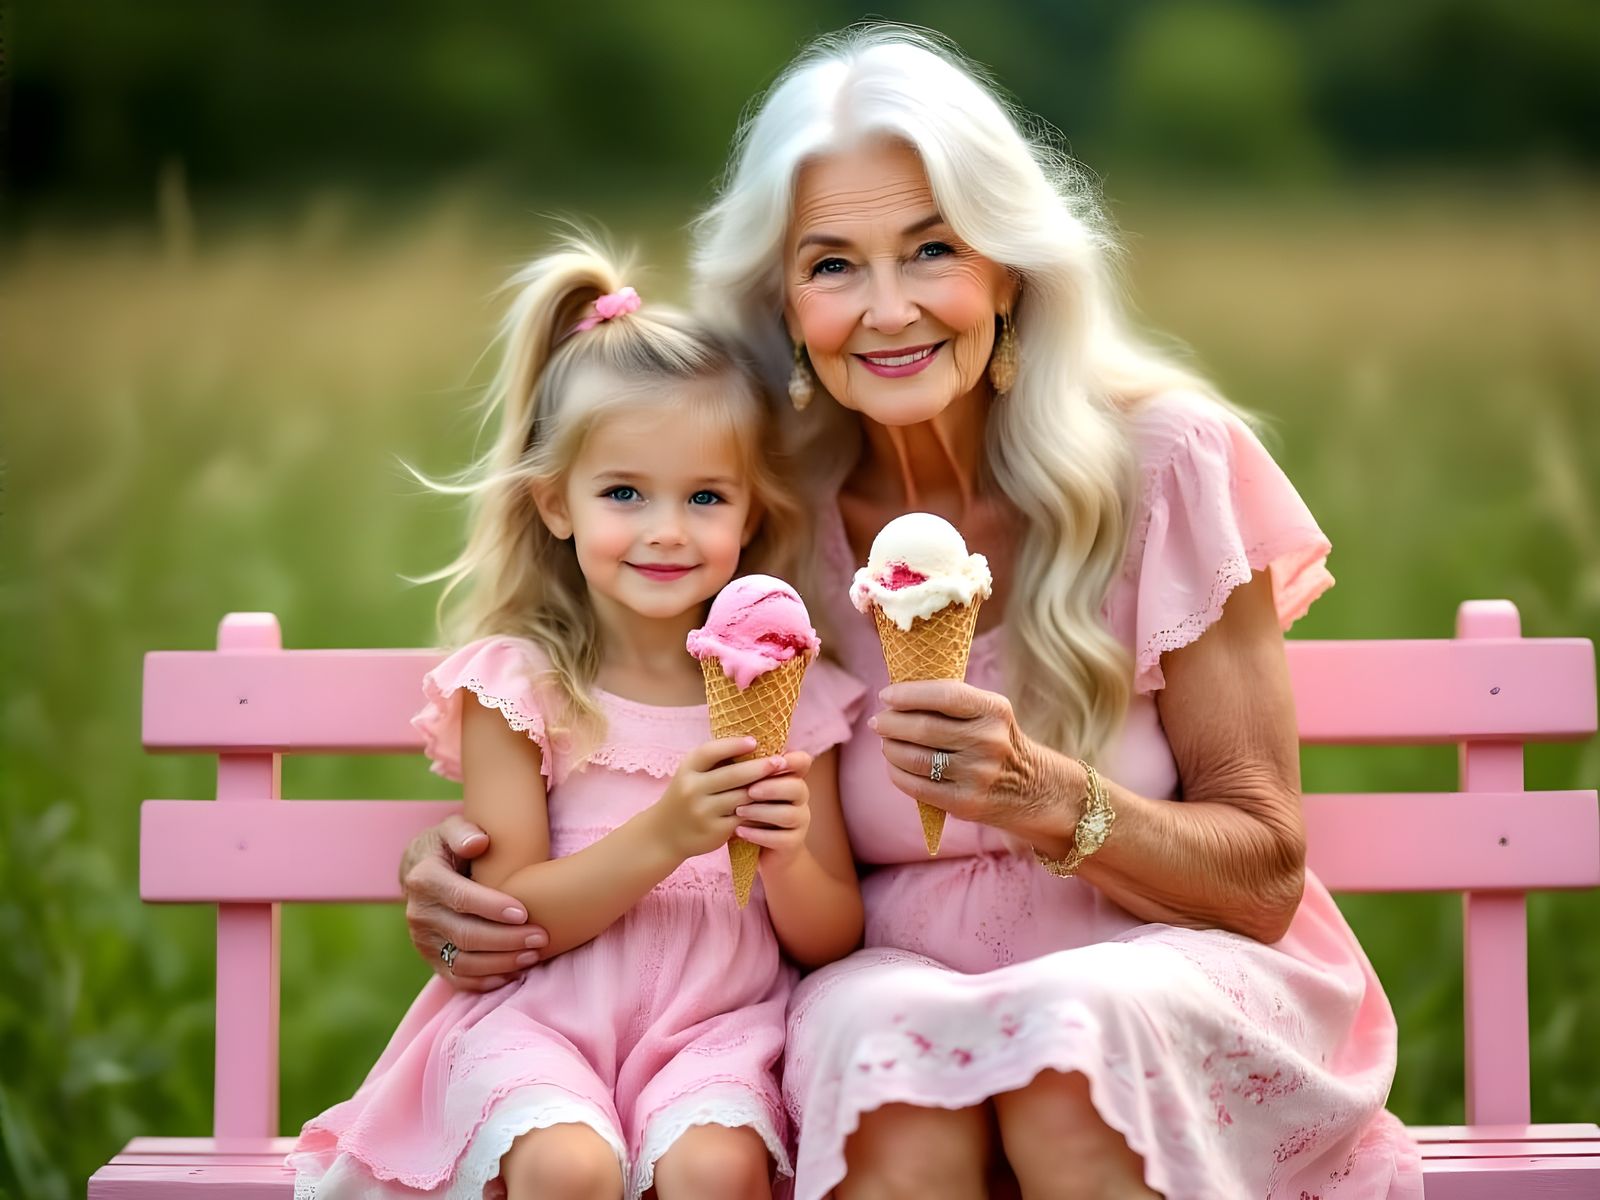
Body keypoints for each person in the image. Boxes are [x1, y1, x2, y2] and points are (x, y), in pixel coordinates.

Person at [402, 26, 1423, 1200]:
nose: (886, 310)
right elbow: (606, 689)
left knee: (1068, 1047)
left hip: (1161, 972)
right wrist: (475, 866)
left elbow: (1262, 875)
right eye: (832, 265)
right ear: (782, 301)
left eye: (931, 250)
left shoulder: (1165, 462)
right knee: (887, 1062)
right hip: (887, 982)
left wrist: (1046, 794)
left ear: (1007, 269)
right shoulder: (761, 510)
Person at [291, 239, 865, 1200]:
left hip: (715, 1029)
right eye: (624, 494)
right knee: (568, 1164)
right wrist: (666, 834)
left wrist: (789, 854)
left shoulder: (791, 695)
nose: (667, 529)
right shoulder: (522, 686)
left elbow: (830, 935)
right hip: (542, 1020)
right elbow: (511, 914)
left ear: (750, 515)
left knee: (717, 1168)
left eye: (705, 497)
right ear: (556, 504)